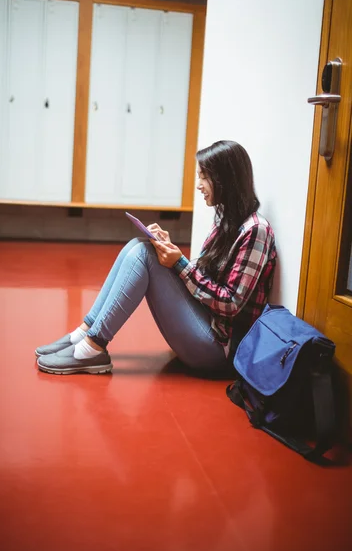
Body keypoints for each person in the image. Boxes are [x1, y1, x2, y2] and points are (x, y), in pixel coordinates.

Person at [36, 140, 277, 375]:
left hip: (220, 350)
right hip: (205, 325)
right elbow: (205, 276)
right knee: (138, 245)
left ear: (225, 180)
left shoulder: (256, 230)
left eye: (204, 177)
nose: (199, 185)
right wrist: (170, 249)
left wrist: (180, 264)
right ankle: (84, 334)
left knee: (143, 254)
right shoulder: (226, 220)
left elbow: (231, 303)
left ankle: (92, 348)